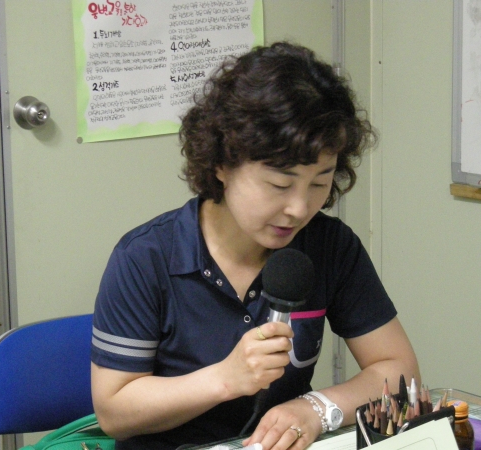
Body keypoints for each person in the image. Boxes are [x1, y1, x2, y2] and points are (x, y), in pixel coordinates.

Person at [91, 41, 420, 450]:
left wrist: (316, 408)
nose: (299, 208)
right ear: (221, 163)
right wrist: (224, 379)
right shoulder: (146, 258)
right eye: (280, 184)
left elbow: (399, 370)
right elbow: (114, 412)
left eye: (319, 183)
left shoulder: (330, 245)